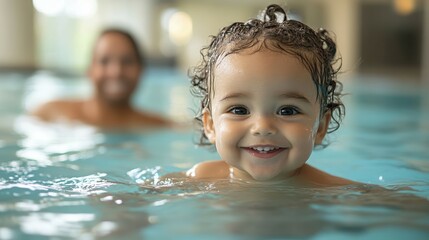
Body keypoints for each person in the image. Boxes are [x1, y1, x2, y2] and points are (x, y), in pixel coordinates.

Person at [184, 4, 355, 186]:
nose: (262, 127)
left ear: (320, 127)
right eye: (239, 110)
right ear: (210, 125)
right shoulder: (199, 178)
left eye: (288, 111)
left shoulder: (333, 190)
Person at [32, 28, 172, 130]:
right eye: (104, 61)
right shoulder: (50, 113)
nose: (116, 72)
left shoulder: (157, 126)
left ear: (141, 70)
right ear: (90, 70)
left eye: (127, 61)